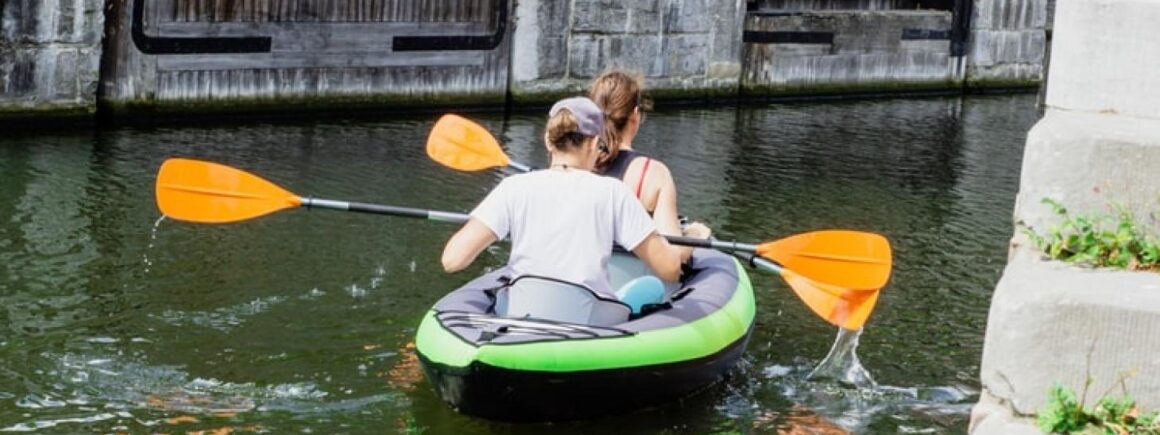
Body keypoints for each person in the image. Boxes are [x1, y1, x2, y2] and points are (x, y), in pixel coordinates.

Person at [441, 97, 682, 317]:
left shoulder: (512, 187)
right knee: (650, 287)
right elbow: (670, 269)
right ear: (593, 143)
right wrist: (691, 239)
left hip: (520, 318)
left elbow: (452, 260)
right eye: (600, 147)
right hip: (587, 325)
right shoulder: (613, 193)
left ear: (548, 141)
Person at [588, 68, 711, 263]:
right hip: (633, 286)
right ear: (635, 115)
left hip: (579, 281)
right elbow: (674, 255)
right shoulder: (652, 173)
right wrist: (696, 236)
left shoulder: (575, 163)